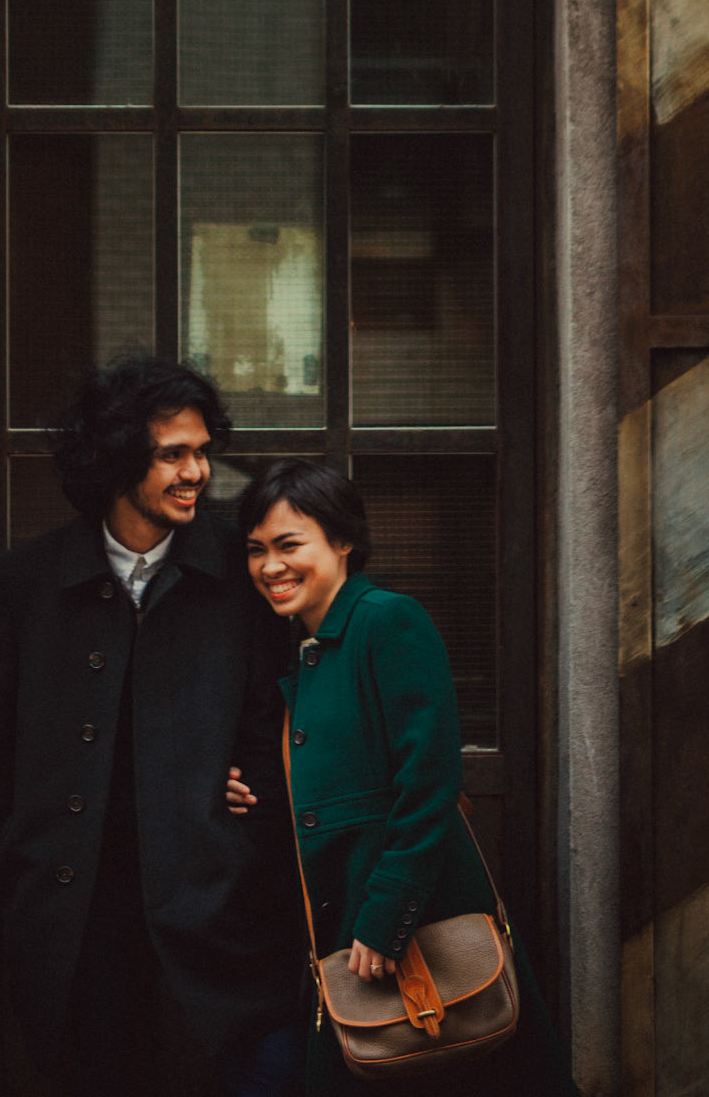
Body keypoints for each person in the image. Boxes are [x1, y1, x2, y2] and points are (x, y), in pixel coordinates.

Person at [0, 357, 305, 1097]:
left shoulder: (240, 572)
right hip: (70, 919)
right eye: (173, 454)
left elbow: (273, 723)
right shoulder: (25, 584)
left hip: (213, 912)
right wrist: (8, 876)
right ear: (118, 458)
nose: (197, 472)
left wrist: (253, 813)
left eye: (203, 451)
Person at [229, 460, 578, 1096]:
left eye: (288, 545)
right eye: (256, 551)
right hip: (343, 925)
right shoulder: (301, 648)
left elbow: (430, 781)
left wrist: (386, 914)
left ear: (343, 541)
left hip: (410, 920)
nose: (270, 566)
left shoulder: (386, 620)